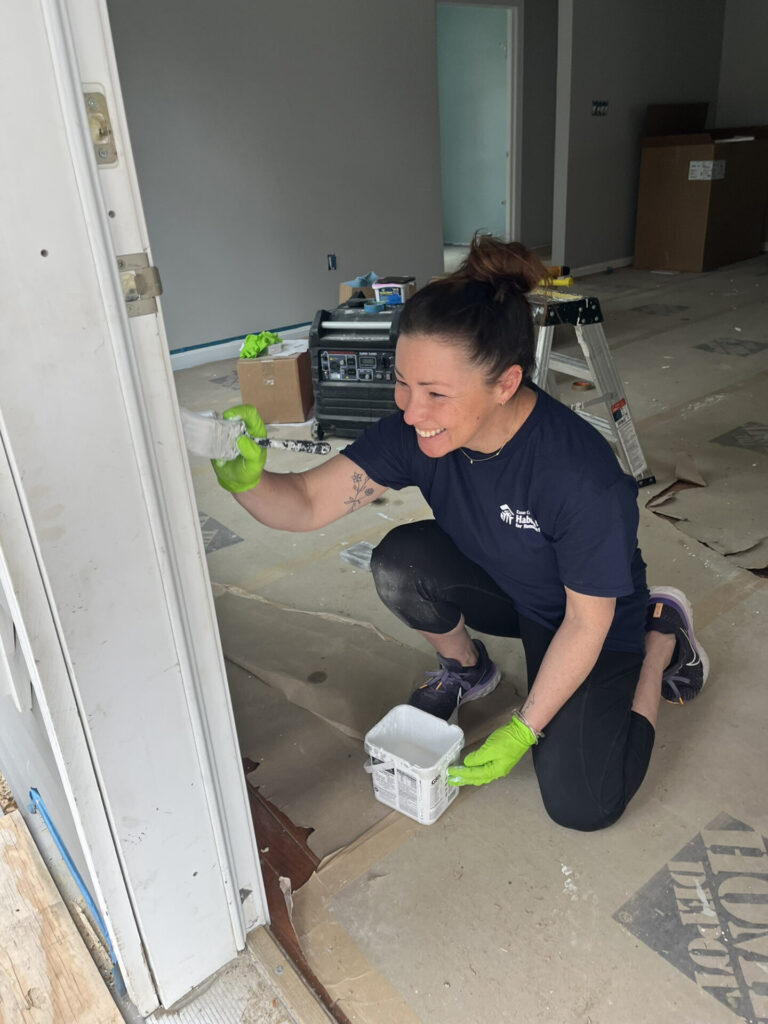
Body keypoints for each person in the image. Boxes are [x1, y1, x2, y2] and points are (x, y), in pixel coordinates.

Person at [211, 235, 710, 832]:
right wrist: (245, 478)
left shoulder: (579, 477)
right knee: (401, 564)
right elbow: (307, 502)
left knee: (583, 803)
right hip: (506, 583)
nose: (412, 411)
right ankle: (468, 669)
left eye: (436, 394)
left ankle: (660, 640)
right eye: (403, 382)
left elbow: (585, 623)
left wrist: (524, 727)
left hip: (587, 616)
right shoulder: (416, 432)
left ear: (506, 384)